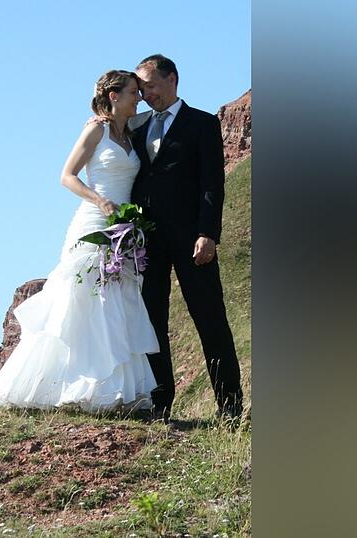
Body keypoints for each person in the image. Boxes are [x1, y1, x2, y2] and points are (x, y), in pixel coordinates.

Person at [0, 70, 159, 412]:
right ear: (114, 96)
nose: (140, 97)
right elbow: (66, 176)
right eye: (134, 92)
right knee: (84, 299)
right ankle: (68, 387)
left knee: (116, 300)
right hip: (94, 220)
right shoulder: (96, 130)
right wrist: (99, 201)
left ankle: (116, 392)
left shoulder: (131, 134)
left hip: (124, 228)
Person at [130, 54, 244, 423]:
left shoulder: (202, 124)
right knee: (152, 321)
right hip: (149, 243)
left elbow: (213, 184)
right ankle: (160, 404)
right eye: (141, 88)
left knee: (210, 319)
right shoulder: (137, 126)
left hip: (194, 241)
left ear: (172, 79)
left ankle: (230, 408)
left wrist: (208, 233)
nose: (146, 94)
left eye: (150, 85)